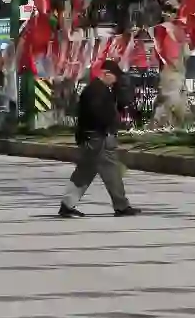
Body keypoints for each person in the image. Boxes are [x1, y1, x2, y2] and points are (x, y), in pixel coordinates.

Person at [58, 60, 138, 218]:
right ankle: (121, 206)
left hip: (94, 138)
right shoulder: (95, 91)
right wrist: (110, 123)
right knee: (111, 172)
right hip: (98, 138)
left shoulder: (101, 90)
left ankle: (67, 205)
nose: (116, 80)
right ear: (106, 73)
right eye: (114, 76)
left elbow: (120, 104)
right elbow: (97, 115)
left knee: (85, 172)